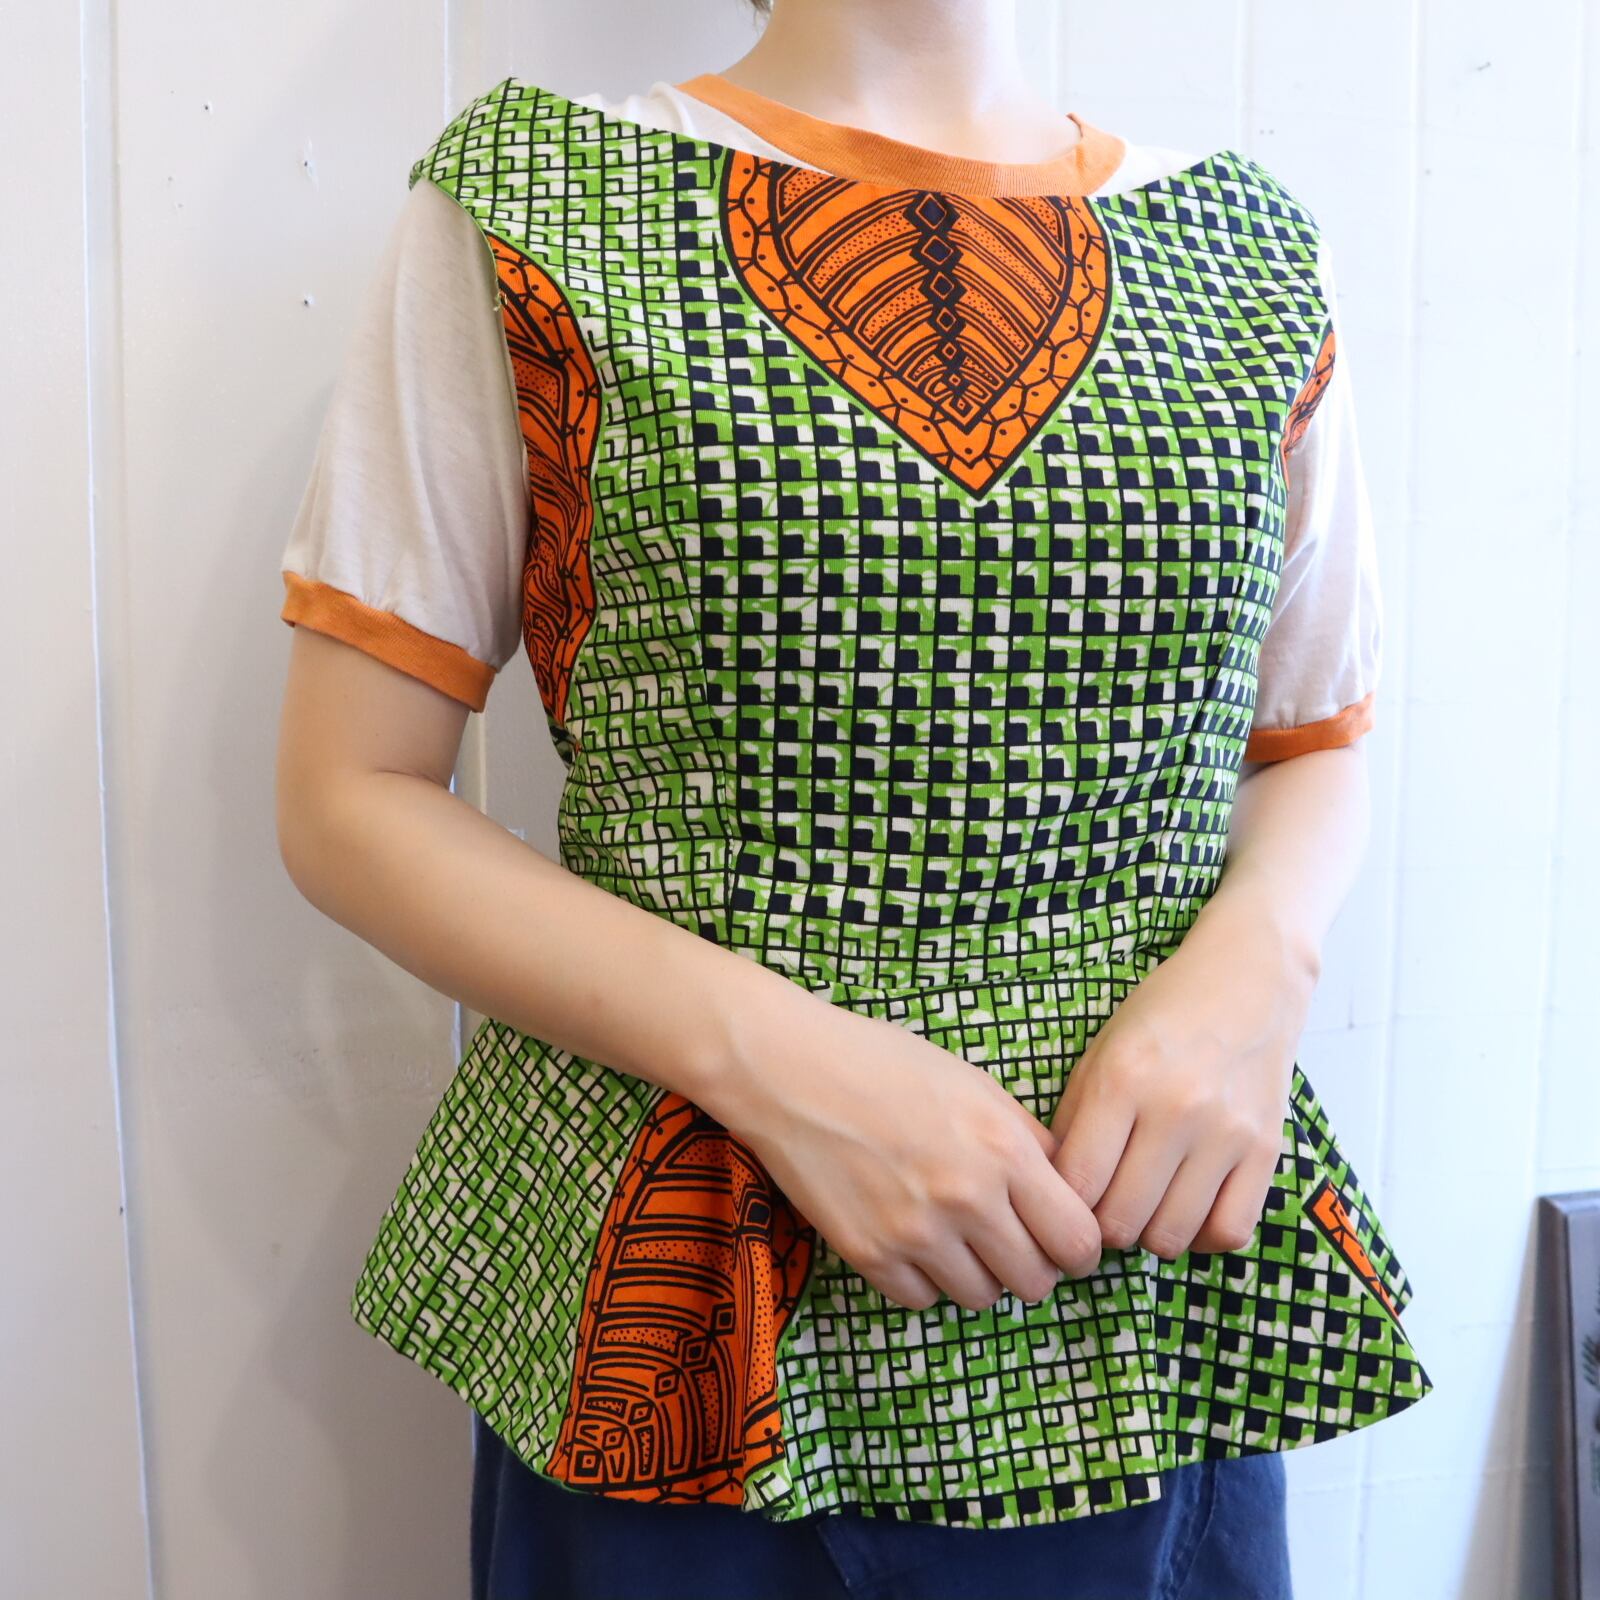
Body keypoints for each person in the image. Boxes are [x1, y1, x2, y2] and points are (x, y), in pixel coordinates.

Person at [275, 2, 1434, 1595]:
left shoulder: (1248, 250)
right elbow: (349, 796)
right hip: (695, 1287)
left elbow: (1311, 739)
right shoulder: (535, 202)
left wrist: (1257, 974)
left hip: (1142, 1290)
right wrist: (783, 1062)